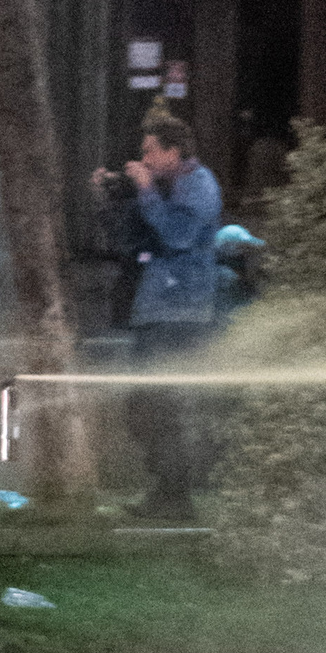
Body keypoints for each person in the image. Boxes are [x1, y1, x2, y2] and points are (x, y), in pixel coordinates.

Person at [93, 117, 222, 520]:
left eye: (151, 150)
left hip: (182, 311)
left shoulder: (199, 184)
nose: (144, 159)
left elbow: (179, 235)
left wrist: (147, 191)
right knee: (146, 403)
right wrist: (110, 197)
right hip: (156, 309)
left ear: (173, 150)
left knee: (162, 402)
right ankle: (166, 492)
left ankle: (175, 497)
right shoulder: (165, 188)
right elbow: (129, 239)